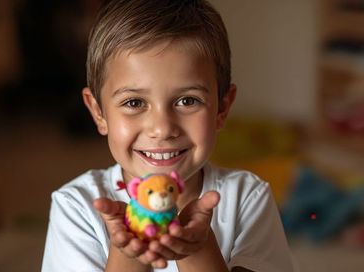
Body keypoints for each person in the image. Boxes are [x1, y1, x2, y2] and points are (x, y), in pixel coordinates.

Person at [42, 0, 295, 271]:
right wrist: (129, 249)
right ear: (98, 111)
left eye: (187, 101)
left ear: (222, 108)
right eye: (134, 103)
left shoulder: (247, 199)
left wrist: (198, 250)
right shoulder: (77, 206)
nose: (162, 129)